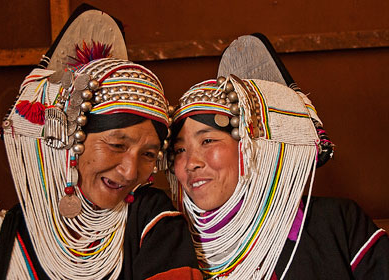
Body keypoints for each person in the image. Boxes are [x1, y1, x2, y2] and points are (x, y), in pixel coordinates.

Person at [0, 6, 202, 280]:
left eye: (148, 154)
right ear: (71, 140)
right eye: (116, 145)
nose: (129, 171)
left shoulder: (152, 220)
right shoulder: (3, 235)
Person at [166, 34, 389, 279]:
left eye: (208, 141)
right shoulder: (169, 245)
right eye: (179, 150)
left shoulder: (334, 222)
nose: (191, 163)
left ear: (252, 147)